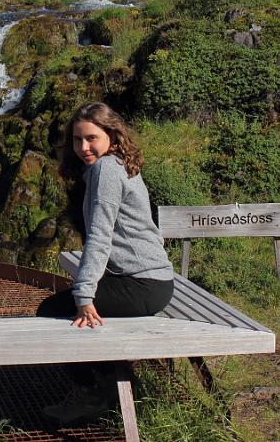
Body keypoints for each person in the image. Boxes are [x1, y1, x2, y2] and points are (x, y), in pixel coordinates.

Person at [37, 101, 174, 425]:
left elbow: (100, 237)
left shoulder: (106, 170)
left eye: (91, 138)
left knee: (51, 312)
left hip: (143, 285)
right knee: (62, 308)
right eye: (77, 139)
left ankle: (95, 392)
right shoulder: (117, 164)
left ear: (111, 135)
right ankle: (114, 379)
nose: (83, 147)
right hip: (149, 281)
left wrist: (85, 295)